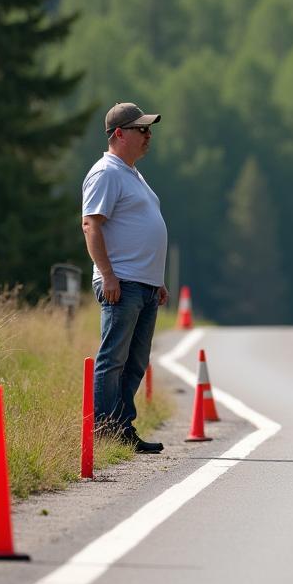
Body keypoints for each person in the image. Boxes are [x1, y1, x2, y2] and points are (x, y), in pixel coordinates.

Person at [81, 103, 169, 453]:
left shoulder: (132, 174)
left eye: (149, 130)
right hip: (122, 283)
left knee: (135, 361)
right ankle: (104, 432)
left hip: (143, 284)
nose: (148, 136)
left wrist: (156, 279)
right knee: (113, 359)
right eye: (142, 130)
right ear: (119, 134)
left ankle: (120, 428)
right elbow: (91, 224)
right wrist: (108, 275)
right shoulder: (106, 172)